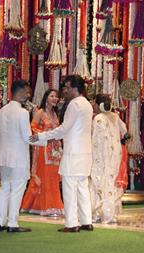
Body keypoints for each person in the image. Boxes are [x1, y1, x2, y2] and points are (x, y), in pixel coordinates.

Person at [30, 75, 93, 232]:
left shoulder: (74, 105)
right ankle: (87, 221)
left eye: (66, 88)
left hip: (73, 152)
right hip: (85, 152)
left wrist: (42, 136)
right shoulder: (87, 104)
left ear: (74, 88)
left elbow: (64, 129)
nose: (64, 91)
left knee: (70, 187)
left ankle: (71, 224)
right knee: (82, 187)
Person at [0, 80, 46, 233]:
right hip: (18, 157)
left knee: (4, 188)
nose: (28, 95)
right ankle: (12, 223)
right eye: (27, 92)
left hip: (4, 156)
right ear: (21, 92)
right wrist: (44, 139)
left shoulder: (2, 111)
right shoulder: (23, 113)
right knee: (17, 189)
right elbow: (27, 137)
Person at [21, 89, 64, 216]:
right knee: (44, 176)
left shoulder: (56, 114)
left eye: (56, 97)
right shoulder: (40, 112)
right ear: (46, 97)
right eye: (52, 96)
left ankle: (54, 204)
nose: (55, 99)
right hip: (43, 149)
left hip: (55, 150)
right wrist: (45, 137)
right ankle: (42, 205)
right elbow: (33, 129)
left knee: (54, 177)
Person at [90, 94, 128, 223]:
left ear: (99, 104)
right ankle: (110, 214)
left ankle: (98, 214)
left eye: (94, 102)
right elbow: (125, 132)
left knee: (99, 181)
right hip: (115, 156)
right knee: (111, 182)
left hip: (101, 155)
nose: (93, 105)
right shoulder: (115, 117)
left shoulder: (98, 118)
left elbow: (95, 140)